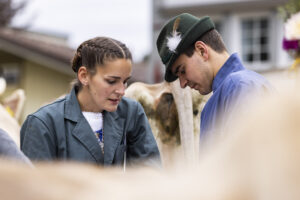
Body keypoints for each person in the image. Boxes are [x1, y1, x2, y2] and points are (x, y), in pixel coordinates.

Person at [21, 37, 161, 167]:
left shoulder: (131, 113)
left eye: (125, 82)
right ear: (84, 76)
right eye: (111, 81)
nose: (122, 91)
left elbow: (150, 174)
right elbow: (34, 187)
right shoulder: (42, 124)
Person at [156, 13, 273, 142]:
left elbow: (247, 159)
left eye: (182, 70)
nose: (182, 84)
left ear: (202, 50)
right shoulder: (233, 89)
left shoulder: (240, 87)